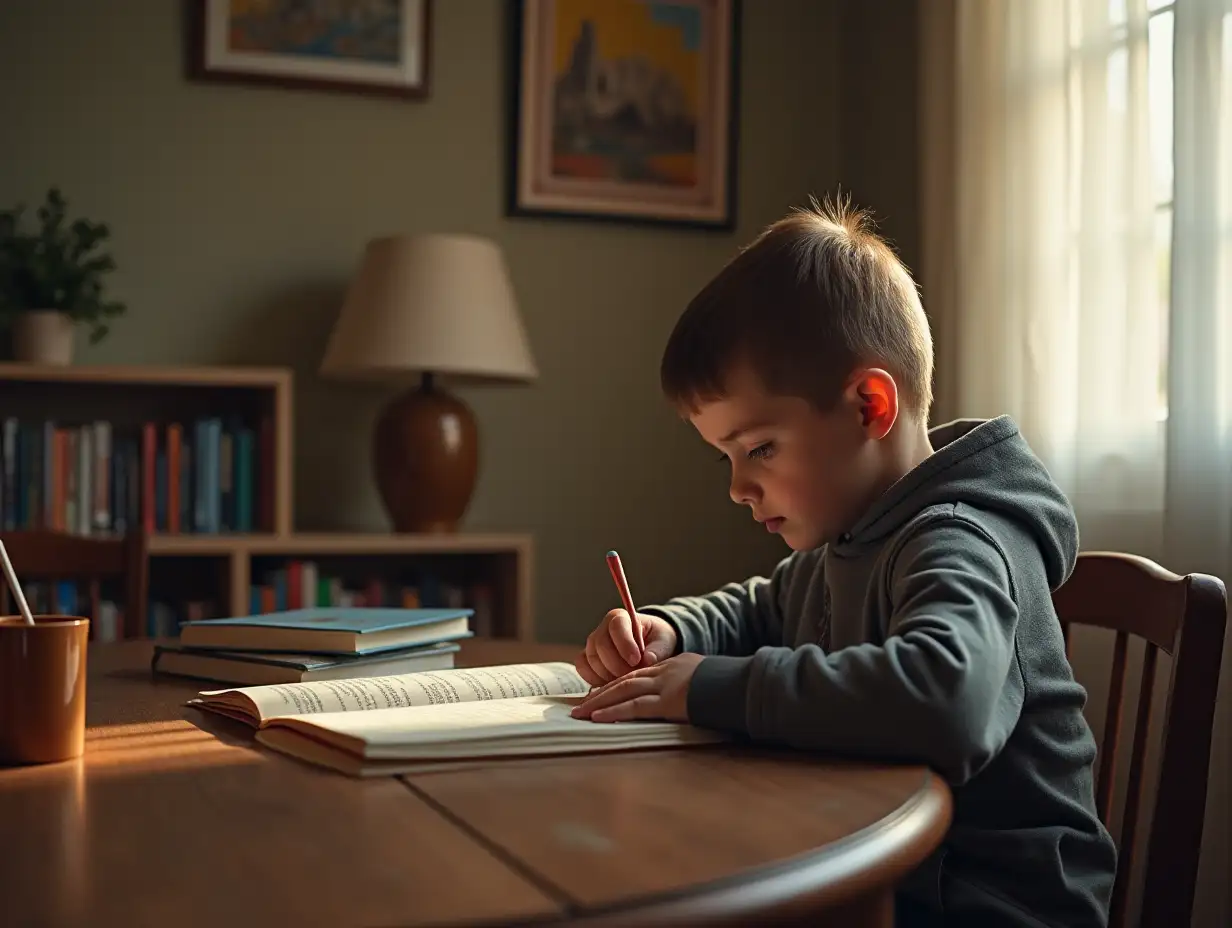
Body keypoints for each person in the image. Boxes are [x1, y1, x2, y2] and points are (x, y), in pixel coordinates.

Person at [569, 198, 1118, 927]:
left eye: (758, 448)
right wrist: (672, 631)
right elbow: (764, 607)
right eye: (725, 457)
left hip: (993, 905)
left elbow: (944, 703)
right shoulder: (854, 537)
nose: (738, 487)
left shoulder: (959, 538)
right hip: (901, 874)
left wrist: (708, 688)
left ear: (868, 406)